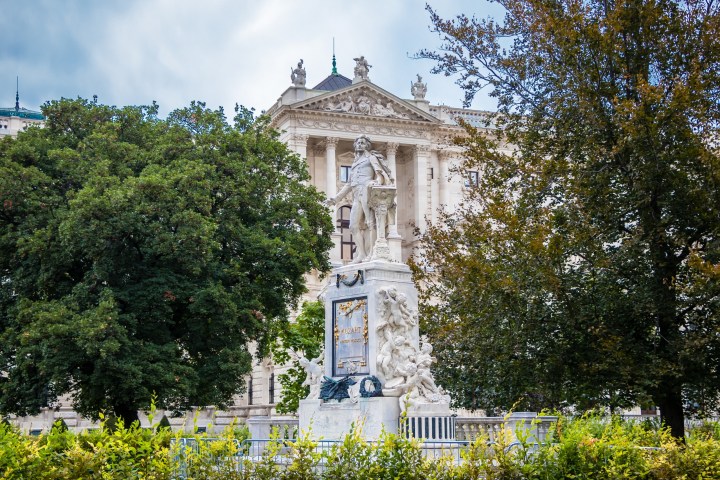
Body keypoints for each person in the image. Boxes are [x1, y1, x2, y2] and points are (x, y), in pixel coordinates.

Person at [328, 135, 393, 263]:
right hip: (357, 193)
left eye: (362, 143)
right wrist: (335, 199)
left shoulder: (371, 158)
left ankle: (371, 253)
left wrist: (376, 182)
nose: (359, 145)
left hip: (366, 190)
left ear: (367, 145)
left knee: (370, 223)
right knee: (353, 225)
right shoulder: (355, 163)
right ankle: (361, 254)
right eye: (358, 143)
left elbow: (380, 174)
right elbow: (348, 184)